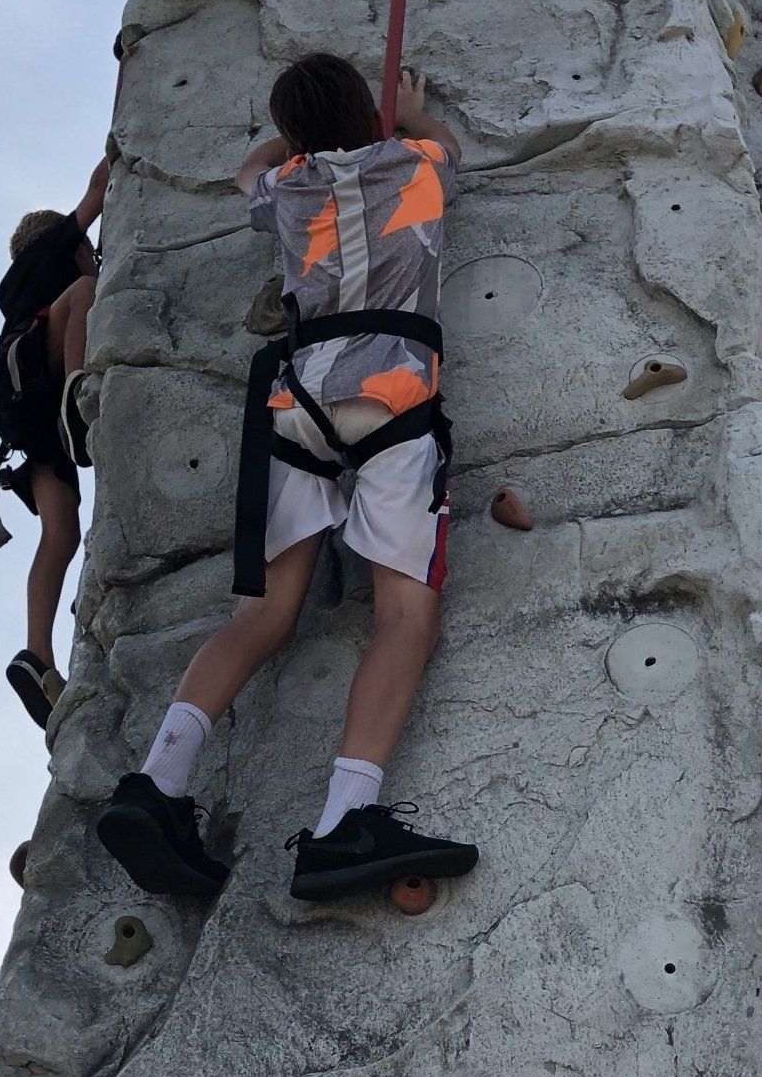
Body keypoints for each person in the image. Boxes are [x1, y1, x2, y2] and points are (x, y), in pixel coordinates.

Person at [96, 52, 478, 905]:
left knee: (263, 614)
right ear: (368, 114)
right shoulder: (413, 167)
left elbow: (248, 173)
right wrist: (406, 115)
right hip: (393, 395)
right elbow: (450, 146)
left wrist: (301, 136)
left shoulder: (288, 191)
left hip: (296, 398)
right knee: (404, 616)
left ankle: (159, 784)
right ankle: (347, 818)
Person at [0, 152, 109, 728]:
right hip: (52, 388)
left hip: (27, 428)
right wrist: (120, 148)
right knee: (85, 292)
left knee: (60, 536)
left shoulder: (14, 291)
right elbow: (94, 195)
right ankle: (81, 397)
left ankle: (37, 656)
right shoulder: (59, 253)